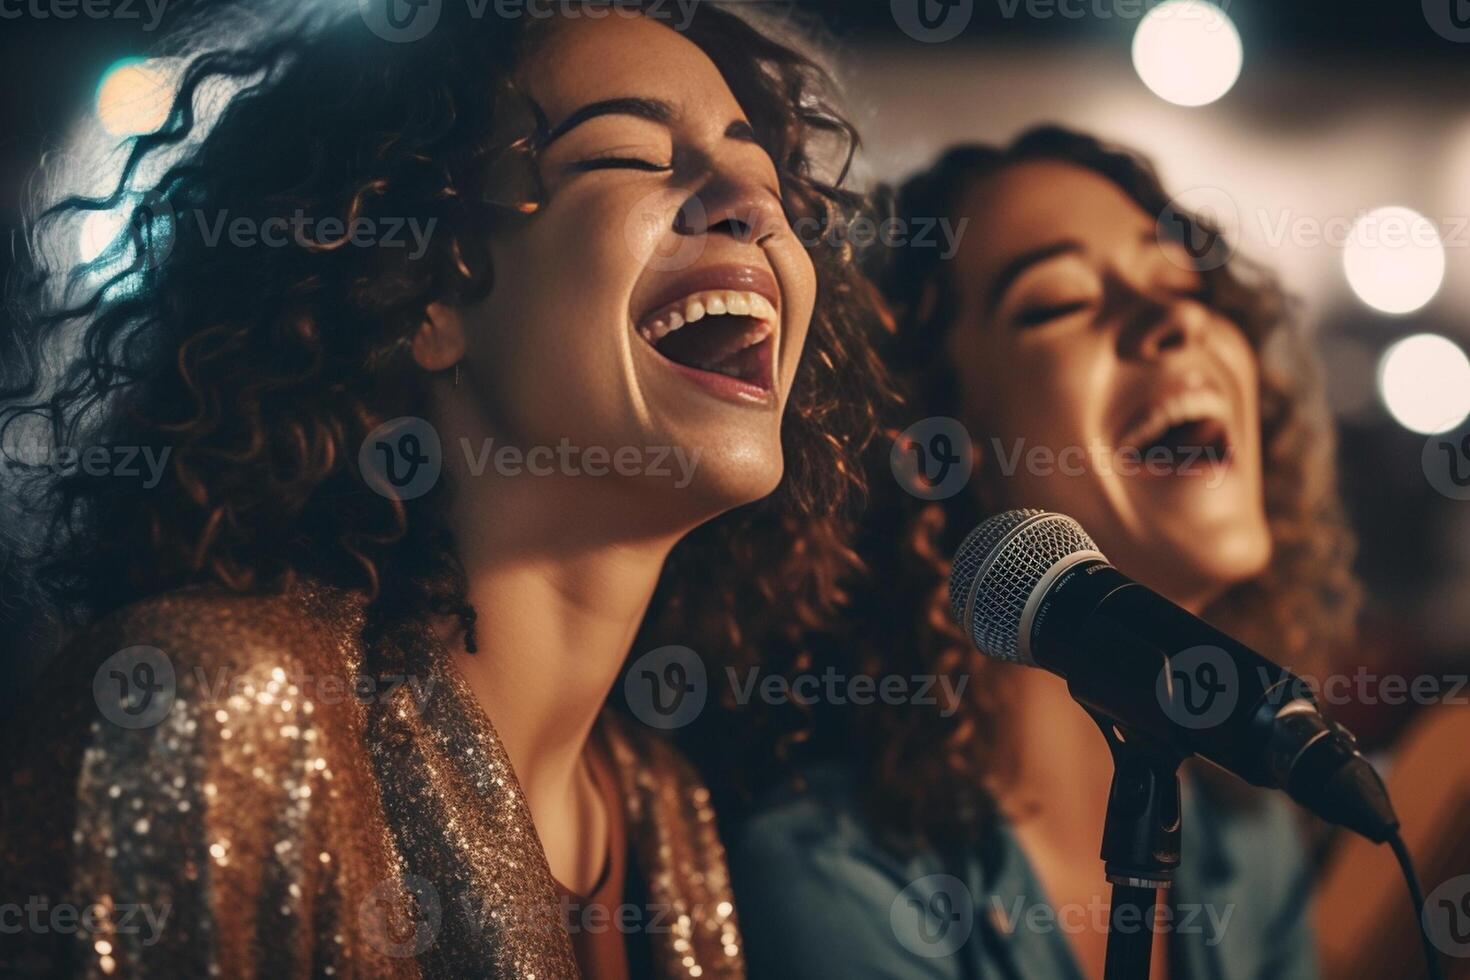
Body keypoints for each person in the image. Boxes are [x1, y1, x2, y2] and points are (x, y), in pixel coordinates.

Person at [0, 3, 894, 976]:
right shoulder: (210, 713)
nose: (747, 201)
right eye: (627, 156)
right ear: (422, 290)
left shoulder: (660, 805)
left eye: (764, 178)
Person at [729, 127, 1359, 979]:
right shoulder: (836, 876)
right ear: (936, 445)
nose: (1173, 316)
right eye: (1058, 302)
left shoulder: (1250, 836)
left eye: (1181, 282)